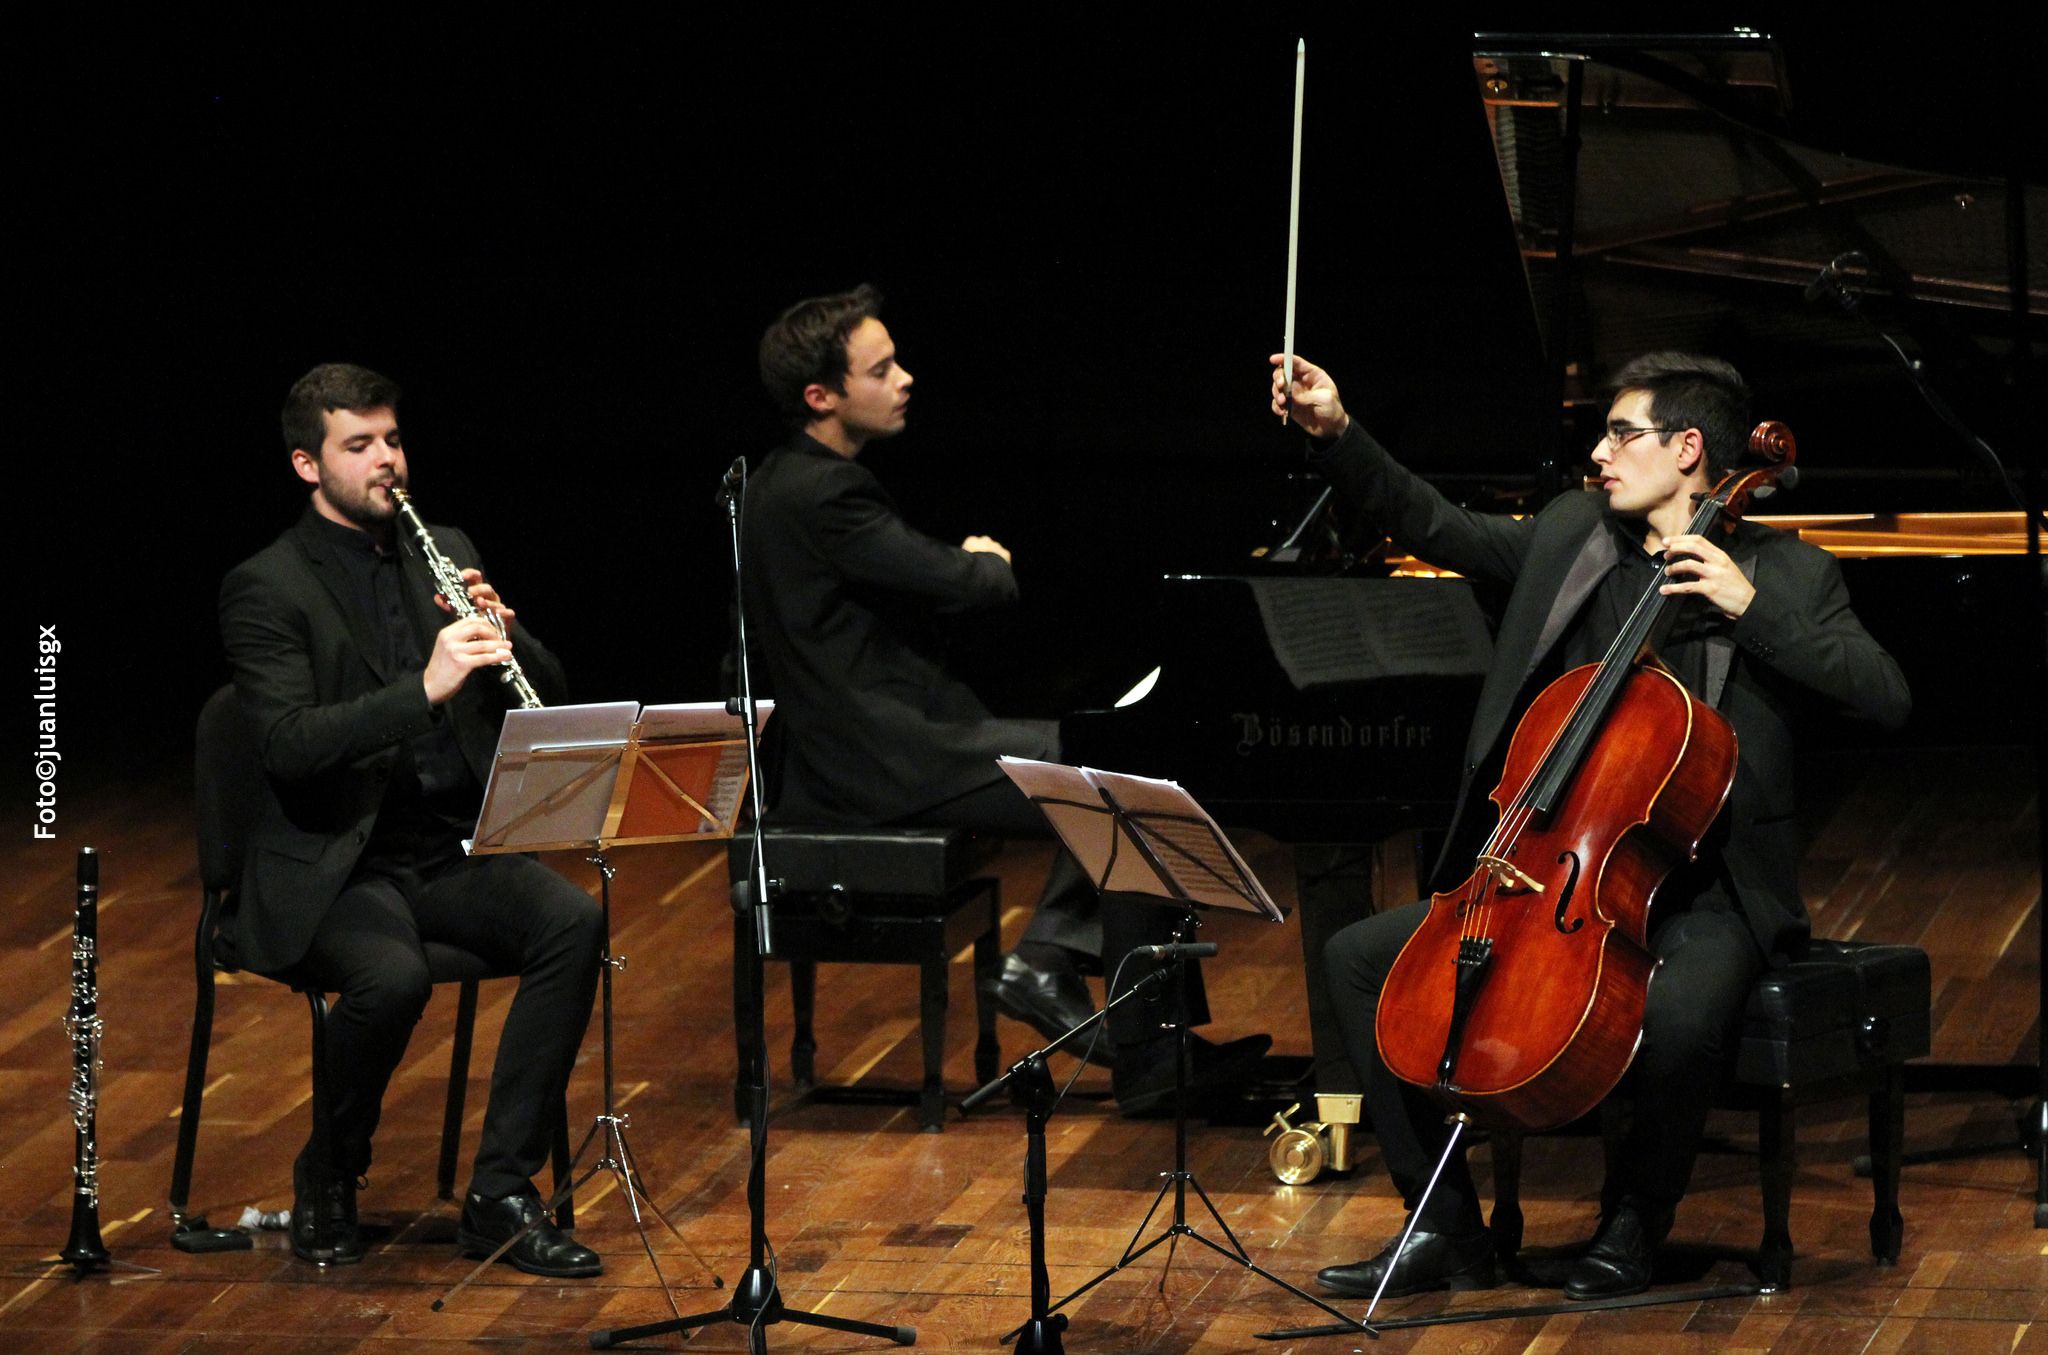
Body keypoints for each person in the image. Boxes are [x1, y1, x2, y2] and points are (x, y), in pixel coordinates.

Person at [1270, 350, 1909, 1300]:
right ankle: (1444, 1228)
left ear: (1690, 449)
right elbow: (1438, 523)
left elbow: (1887, 697)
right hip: (1558, 874)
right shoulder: (1575, 533)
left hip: (1709, 887)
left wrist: (1751, 607)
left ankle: (1634, 1224)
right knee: (1362, 960)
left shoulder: (1789, 573)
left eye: (1622, 433)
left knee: (1683, 1012)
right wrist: (1337, 434)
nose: (1600, 452)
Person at [742, 286, 1268, 1114]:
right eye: (881, 370)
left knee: (1121, 768)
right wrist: (983, 559)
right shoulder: (827, 494)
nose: (906, 379)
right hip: (888, 758)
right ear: (822, 397)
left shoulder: (785, 484)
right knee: (1127, 776)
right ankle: (1132, 1038)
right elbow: (964, 581)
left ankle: (1081, 982)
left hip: (871, 745)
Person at [218, 362, 604, 1275]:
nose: (387, 460)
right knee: (391, 980)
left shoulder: (444, 543)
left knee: (572, 920)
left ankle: (500, 1188)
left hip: (441, 849)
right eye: (360, 446)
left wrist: (508, 636)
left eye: (392, 439)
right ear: (309, 465)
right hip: (334, 863)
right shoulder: (267, 585)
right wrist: (424, 687)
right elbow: (286, 745)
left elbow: (541, 700)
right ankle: (331, 1169)